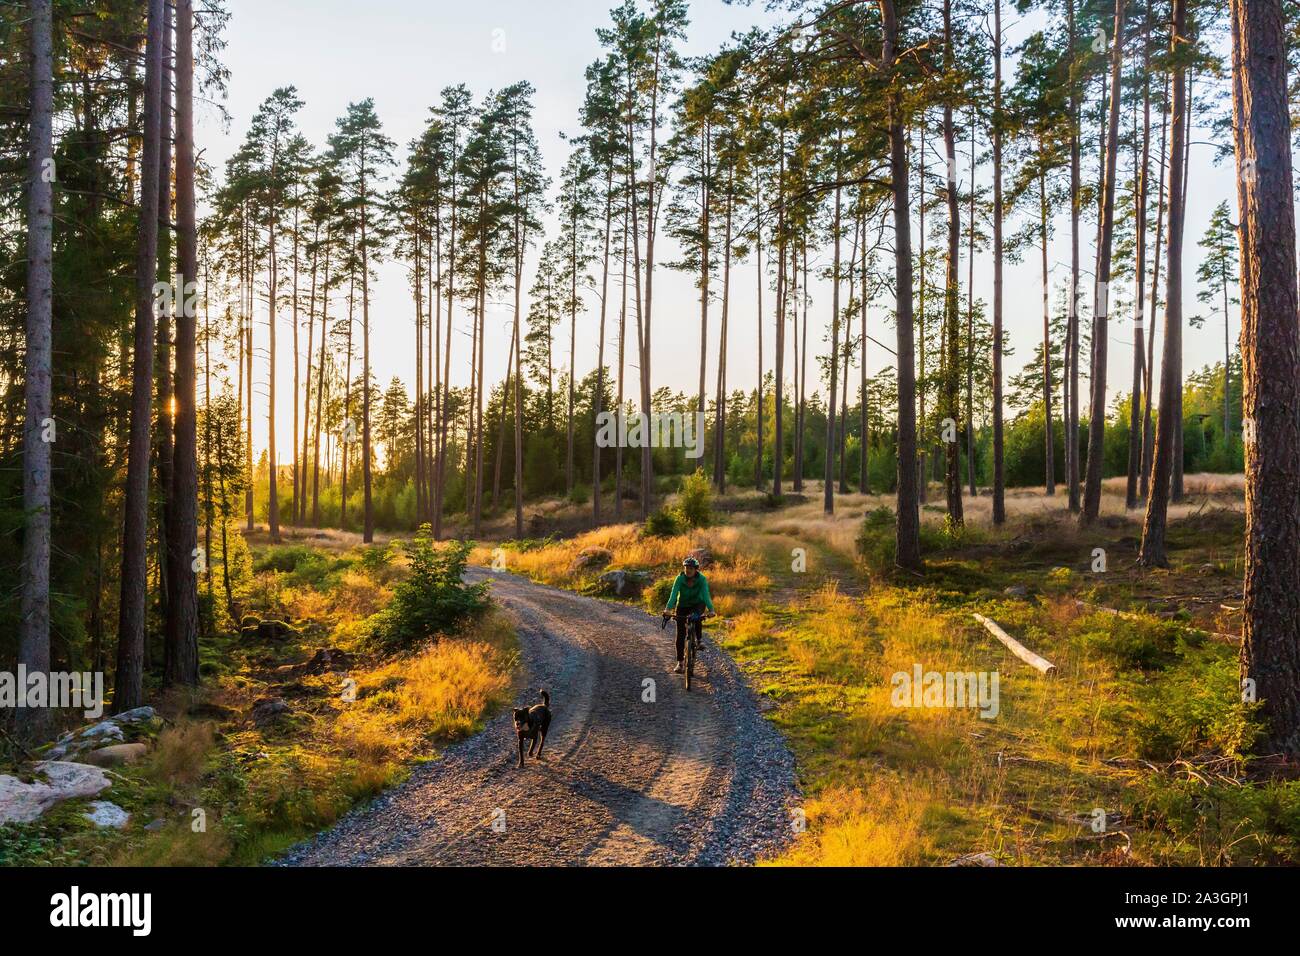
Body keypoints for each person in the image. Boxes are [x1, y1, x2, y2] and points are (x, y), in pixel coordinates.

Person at [663, 556, 714, 673]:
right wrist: (668, 609)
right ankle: (680, 663)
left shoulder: (701, 579)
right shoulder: (679, 579)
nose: (688, 570)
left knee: (697, 617)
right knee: (680, 634)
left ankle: (699, 640)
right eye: (686, 568)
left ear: (696, 569)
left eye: (691, 568)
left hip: (698, 604)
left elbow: (706, 595)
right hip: (683, 605)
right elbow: (674, 595)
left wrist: (711, 610)